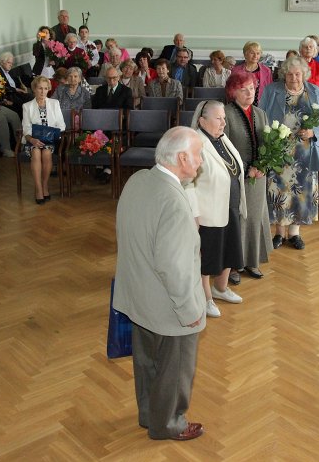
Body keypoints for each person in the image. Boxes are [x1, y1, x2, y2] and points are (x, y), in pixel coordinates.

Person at [112, 126, 206, 442]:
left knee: (147, 363)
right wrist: (190, 311)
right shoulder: (175, 202)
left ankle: (148, 414)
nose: (201, 161)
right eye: (198, 155)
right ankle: (169, 424)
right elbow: (175, 267)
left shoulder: (138, 180)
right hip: (168, 305)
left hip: (138, 296)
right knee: (174, 369)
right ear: (182, 158)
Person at [259, 56, 319, 250]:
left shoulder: (315, 92)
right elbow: (260, 115)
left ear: (304, 74)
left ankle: (295, 233)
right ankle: (279, 233)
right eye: (289, 74)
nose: (294, 78)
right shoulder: (272, 90)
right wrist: (270, 136)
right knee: (279, 190)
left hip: (305, 152)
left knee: (301, 191)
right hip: (278, 150)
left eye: (297, 74)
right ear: (284, 75)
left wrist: (313, 132)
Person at [188, 100, 246, 318]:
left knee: (230, 248)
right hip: (208, 210)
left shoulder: (222, 138)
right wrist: (194, 213)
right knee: (208, 256)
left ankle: (220, 289)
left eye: (224, 118)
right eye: (218, 118)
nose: (223, 122)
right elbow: (189, 182)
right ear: (202, 120)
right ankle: (206, 299)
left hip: (229, 204)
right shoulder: (196, 142)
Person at [222, 72, 273, 284]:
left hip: (258, 177)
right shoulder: (225, 113)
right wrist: (245, 169)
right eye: (244, 89)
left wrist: (264, 165)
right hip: (235, 178)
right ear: (233, 92)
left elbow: (269, 144)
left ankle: (252, 261)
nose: (249, 92)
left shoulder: (261, 114)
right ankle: (233, 265)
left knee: (255, 217)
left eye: (252, 88)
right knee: (237, 220)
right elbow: (222, 149)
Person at [22, 76, 65, 204]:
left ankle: (45, 185)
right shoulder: (27, 106)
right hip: (33, 140)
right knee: (35, 152)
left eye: (45, 89)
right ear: (34, 89)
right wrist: (32, 139)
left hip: (50, 140)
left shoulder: (54, 103)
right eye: (40, 88)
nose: (43, 91)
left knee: (46, 152)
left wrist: (50, 135)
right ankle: (38, 189)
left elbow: (61, 125)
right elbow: (26, 128)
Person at [0, 51, 33, 118]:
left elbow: (13, 81)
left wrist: (22, 87)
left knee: (32, 97)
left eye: (11, 63)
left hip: (15, 93)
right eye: (9, 62)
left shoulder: (6, 70)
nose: (11, 65)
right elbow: (2, 86)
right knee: (30, 98)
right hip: (8, 95)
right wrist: (16, 89)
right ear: (2, 61)